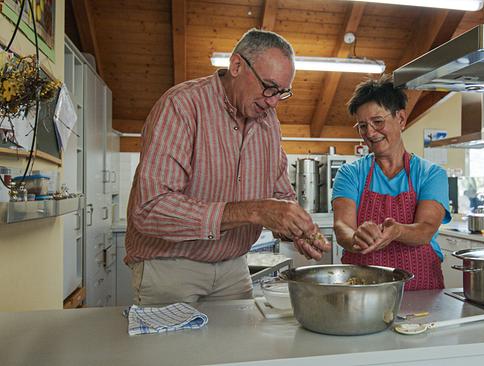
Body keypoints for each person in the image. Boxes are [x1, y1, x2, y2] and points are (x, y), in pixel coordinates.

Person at [125, 29, 331, 305]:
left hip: (233, 268)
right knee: (172, 350)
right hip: (171, 267)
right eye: (268, 86)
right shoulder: (182, 105)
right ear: (236, 66)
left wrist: (296, 229)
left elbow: (280, 197)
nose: (272, 101)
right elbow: (151, 208)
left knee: (241, 349)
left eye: (282, 93)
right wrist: (255, 210)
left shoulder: (269, 122)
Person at [332, 77, 451, 291]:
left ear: (401, 119)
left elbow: (425, 229)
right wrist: (356, 238)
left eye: (378, 122)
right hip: (362, 290)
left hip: (420, 291)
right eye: (362, 126)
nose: (370, 133)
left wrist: (398, 231)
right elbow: (342, 227)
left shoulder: (431, 174)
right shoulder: (350, 173)